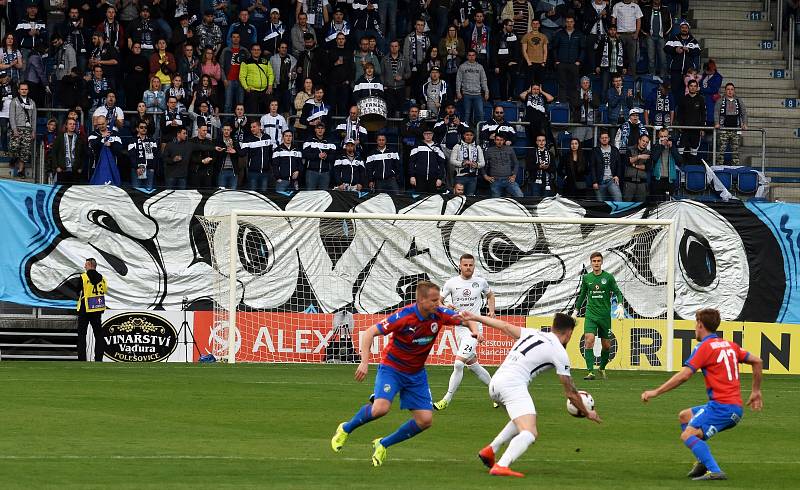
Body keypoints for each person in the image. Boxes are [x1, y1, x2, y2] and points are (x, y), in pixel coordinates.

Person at [330, 281, 468, 466]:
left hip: (416, 374)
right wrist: (364, 362)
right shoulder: (404, 316)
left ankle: (383, 443)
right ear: (421, 300)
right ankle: (345, 428)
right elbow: (369, 332)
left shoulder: (440, 313)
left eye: (438, 300)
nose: (438, 303)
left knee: (425, 420)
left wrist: (475, 331)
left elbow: (464, 319)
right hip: (392, 369)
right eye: (434, 300)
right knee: (380, 409)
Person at [466, 311, 600, 477]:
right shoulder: (559, 351)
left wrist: (476, 317)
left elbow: (504, 326)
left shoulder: (533, 332)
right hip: (512, 385)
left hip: (496, 382)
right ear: (569, 333)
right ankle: (502, 465)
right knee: (530, 432)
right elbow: (571, 393)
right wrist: (588, 413)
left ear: (552, 327)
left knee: (524, 417)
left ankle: (490, 450)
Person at [641, 308, 763, 481]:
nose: (694, 328)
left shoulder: (704, 347)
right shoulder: (729, 345)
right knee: (685, 416)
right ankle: (702, 462)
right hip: (733, 407)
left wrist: (656, 392)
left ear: (700, 325)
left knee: (687, 435)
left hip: (722, 408)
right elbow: (757, 361)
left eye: (695, 324)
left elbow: (684, 375)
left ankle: (715, 471)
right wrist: (756, 391)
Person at [434, 254, 495, 410]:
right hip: (459, 328)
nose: (468, 267)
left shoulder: (480, 282)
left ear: (474, 266)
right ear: (460, 266)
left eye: (471, 265)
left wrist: (491, 311)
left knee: (458, 363)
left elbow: (490, 295)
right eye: (465, 265)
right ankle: (497, 393)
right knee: (473, 365)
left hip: (474, 328)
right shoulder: (451, 283)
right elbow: (438, 301)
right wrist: (446, 306)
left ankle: (446, 399)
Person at [573, 251, 625, 380]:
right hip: (590, 315)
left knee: (606, 345)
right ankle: (590, 372)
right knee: (589, 340)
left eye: (598, 261)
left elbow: (618, 293)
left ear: (601, 262)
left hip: (605, 316)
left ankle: (602, 368)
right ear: (591, 263)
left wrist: (619, 305)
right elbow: (582, 295)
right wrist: (575, 311)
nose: (596, 263)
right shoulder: (586, 278)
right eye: (594, 261)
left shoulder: (608, 278)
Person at [76, 258, 108, 362]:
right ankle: (98, 359)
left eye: (86, 265)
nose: (84, 267)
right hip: (97, 309)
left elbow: (77, 290)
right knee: (98, 335)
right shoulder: (102, 278)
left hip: (85, 309)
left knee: (82, 335)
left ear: (90, 265)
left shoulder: (83, 277)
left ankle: (82, 359)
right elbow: (105, 290)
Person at [714, 83, 747, 166]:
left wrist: (745, 123)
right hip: (723, 129)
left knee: (735, 152)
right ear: (725, 91)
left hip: (736, 130)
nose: (730, 91)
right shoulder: (720, 100)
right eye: (728, 89)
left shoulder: (739, 101)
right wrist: (717, 123)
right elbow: (716, 112)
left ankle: (735, 169)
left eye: (732, 89)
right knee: (721, 151)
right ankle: (718, 168)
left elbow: (744, 113)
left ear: (734, 91)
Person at [9, 82, 36, 178]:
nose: (24, 91)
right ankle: (13, 158)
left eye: (25, 89)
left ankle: (21, 171)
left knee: (24, 152)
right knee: (14, 147)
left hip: (28, 129)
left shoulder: (32, 102)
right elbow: (11, 116)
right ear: (19, 90)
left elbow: (34, 118)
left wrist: (33, 131)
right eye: (22, 89)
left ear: (28, 90)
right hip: (17, 128)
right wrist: (14, 129)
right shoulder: (14, 101)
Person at [408, 126, 446, 194]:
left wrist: (440, 178)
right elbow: (411, 162)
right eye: (426, 134)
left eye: (430, 134)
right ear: (423, 135)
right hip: (419, 178)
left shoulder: (437, 146)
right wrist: (412, 176)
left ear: (433, 135)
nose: (428, 135)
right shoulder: (417, 146)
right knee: (420, 199)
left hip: (434, 178)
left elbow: (442, 164)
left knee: (433, 199)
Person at [455, 49, 488, 126]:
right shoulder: (462, 66)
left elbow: (483, 80)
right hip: (466, 94)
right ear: (467, 56)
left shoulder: (480, 67)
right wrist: (458, 92)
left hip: (478, 94)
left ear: (475, 56)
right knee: (466, 114)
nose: (471, 57)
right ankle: (465, 131)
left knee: (480, 113)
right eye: (469, 55)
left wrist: (486, 91)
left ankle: (481, 131)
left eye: (473, 55)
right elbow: (458, 80)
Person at [49, 118, 86, 184]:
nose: (72, 126)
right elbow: (54, 153)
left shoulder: (79, 138)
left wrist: (81, 167)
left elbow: (83, 154)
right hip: (62, 169)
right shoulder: (60, 137)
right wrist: (56, 167)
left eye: (74, 124)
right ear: (66, 125)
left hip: (75, 170)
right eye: (70, 124)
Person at [449, 127, 484, 196]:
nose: (469, 137)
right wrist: (462, 163)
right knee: (457, 196)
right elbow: (452, 160)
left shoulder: (477, 147)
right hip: (460, 176)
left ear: (473, 136)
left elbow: (482, 162)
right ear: (464, 136)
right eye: (467, 135)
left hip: (473, 177)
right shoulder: (457, 146)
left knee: (470, 196)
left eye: (471, 135)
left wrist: (477, 165)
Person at [590, 131, 624, 201]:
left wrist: (617, 175)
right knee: (601, 204)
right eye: (602, 138)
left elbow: (619, 165)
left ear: (609, 139)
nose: (604, 139)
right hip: (600, 181)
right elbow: (592, 167)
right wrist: (594, 182)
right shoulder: (595, 150)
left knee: (619, 199)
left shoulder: (615, 150)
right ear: (600, 139)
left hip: (611, 180)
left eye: (606, 137)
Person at [303, 123, 336, 190]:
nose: (320, 130)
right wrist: (317, 155)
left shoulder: (329, 142)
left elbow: (334, 156)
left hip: (325, 172)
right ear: (315, 129)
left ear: (324, 130)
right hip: (311, 172)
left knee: (323, 195)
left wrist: (326, 156)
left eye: (322, 128)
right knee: (310, 194)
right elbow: (305, 154)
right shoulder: (309, 141)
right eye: (318, 128)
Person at [624, 134, 652, 202]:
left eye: (646, 142)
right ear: (639, 140)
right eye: (643, 141)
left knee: (641, 205)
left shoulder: (648, 153)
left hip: (642, 184)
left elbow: (647, 167)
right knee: (626, 204)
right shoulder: (630, 149)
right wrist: (639, 157)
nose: (644, 143)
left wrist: (634, 165)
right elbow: (627, 162)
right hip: (629, 182)